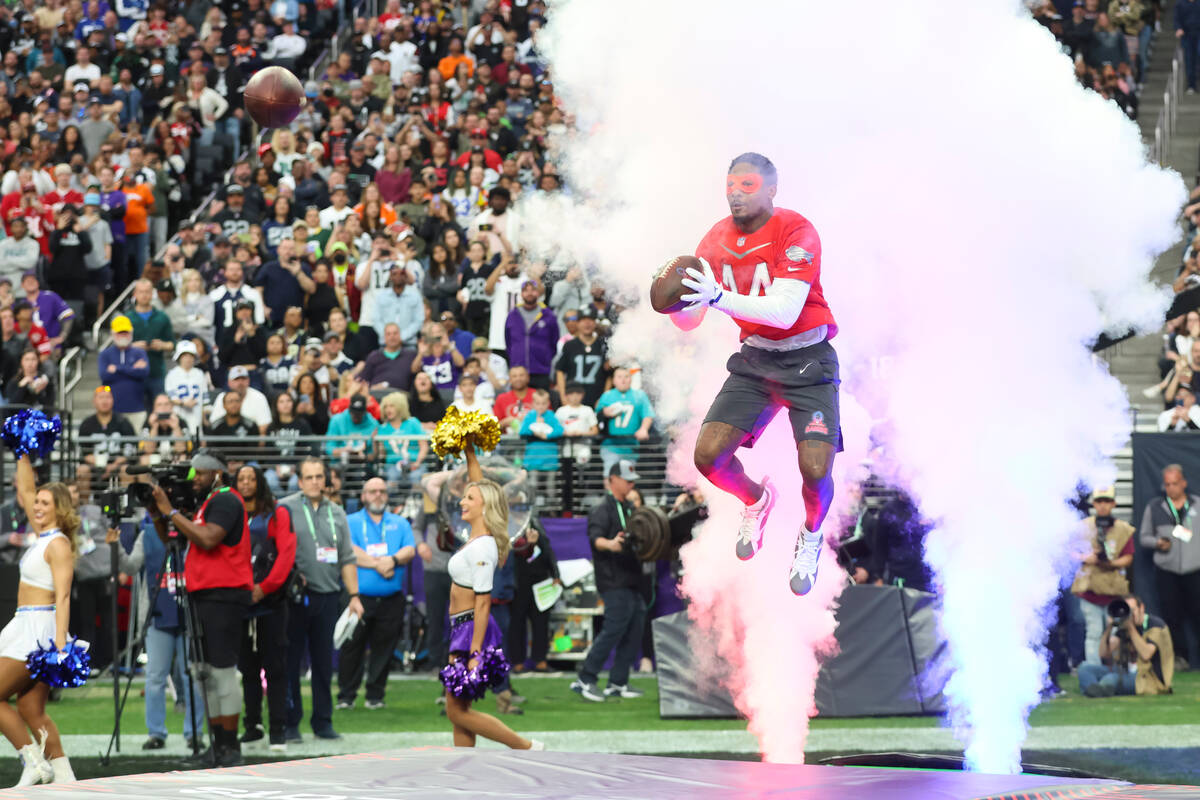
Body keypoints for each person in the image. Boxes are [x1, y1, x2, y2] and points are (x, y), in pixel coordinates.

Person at [673, 153, 840, 595]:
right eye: (730, 185)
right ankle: (757, 499)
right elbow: (692, 318)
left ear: (771, 189)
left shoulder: (796, 229)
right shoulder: (714, 239)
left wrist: (716, 294)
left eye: (747, 185)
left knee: (816, 468)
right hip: (756, 359)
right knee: (708, 458)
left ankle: (810, 532)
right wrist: (677, 303)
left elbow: (785, 312)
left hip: (808, 358)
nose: (734, 192)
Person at [147, 449, 252, 768]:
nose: (193, 481)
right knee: (203, 673)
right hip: (204, 595)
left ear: (217, 474)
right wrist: (158, 514)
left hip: (224, 595)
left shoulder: (226, 500)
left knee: (221, 672)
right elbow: (173, 541)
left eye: (199, 474)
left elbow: (207, 539)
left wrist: (171, 511)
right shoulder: (207, 503)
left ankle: (230, 748)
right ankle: (217, 745)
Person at [442, 443, 542, 750]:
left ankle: (524, 746)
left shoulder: (484, 546)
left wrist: (474, 652)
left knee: (456, 710)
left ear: (484, 507)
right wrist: (470, 454)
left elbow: (483, 601)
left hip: (472, 631)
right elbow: (479, 485)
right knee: (460, 710)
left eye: (469, 498)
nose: (462, 501)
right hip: (463, 627)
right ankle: (464, 767)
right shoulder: (476, 537)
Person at [0, 451, 79, 786]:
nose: (37, 507)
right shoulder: (43, 534)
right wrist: (22, 452)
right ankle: (64, 776)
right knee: (32, 710)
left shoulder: (58, 544)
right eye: (38, 504)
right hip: (26, 624)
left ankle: (33, 761)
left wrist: (60, 646)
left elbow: (62, 596)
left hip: (39, 630)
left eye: (46, 503)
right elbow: (26, 491)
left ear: (59, 507)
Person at [280, 458, 364, 742]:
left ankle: (323, 722)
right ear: (300, 481)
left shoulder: (338, 513)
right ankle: (290, 724)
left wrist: (354, 595)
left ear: (326, 480)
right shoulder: (286, 508)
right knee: (290, 662)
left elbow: (347, 557)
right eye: (309, 477)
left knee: (323, 663)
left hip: (328, 596)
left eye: (319, 477)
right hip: (295, 597)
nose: (315, 481)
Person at [571, 460, 646, 703]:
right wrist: (610, 544)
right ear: (612, 479)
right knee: (613, 628)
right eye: (627, 479)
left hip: (631, 577)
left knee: (635, 627)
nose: (631, 483)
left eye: (632, 480)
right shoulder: (602, 508)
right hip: (613, 579)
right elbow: (595, 539)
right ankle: (585, 678)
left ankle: (617, 682)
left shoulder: (628, 507)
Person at [337, 478, 415, 710]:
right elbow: (349, 549)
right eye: (372, 491)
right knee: (352, 648)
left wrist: (392, 560)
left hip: (391, 599)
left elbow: (409, 550)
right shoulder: (350, 521)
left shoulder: (400, 523)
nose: (377, 495)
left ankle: (375, 696)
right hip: (357, 597)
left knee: (384, 648)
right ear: (363, 496)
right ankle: (346, 697)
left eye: (382, 491)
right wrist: (379, 564)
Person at [235, 466, 296, 753]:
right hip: (240, 602)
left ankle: (278, 730)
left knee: (275, 668)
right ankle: (252, 726)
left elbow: (286, 555)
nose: (246, 483)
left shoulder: (278, 513)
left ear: (260, 483)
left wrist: (265, 587)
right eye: (241, 479)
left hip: (271, 602)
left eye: (251, 478)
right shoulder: (231, 513)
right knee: (247, 668)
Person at [1138, 464, 1200, 672]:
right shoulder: (1155, 507)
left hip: (1195, 569)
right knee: (1172, 616)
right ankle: (1180, 658)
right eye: (1167, 484)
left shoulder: (1197, 504)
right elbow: (1143, 537)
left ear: (1184, 483)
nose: (1171, 488)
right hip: (1167, 570)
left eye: (1175, 483)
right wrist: (1157, 543)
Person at [1070, 487, 1135, 667]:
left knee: (1114, 632)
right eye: (1099, 502)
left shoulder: (1123, 529)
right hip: (1089, 589)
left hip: (1113, 590)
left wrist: (1109, 563)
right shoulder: (1082, 527)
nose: (1103, 506)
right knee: (1093, 631)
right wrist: (1087, 558)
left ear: (1113, 504)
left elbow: (1128, 557)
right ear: (1094, 504)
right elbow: (1070, 553)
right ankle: (1093, 669)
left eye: (1107, 501)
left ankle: (1113, 668)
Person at [1077, 595, 1173, 696]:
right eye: (1127, 610)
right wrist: (1109, 628)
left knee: (1110, 679)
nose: (1130, 615)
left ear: (1142, 608)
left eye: (1132, 610)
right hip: (1124, 671)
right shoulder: (1123, 626)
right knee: (1085, 668)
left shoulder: (1155, 625)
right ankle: (1096, 690)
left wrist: (1131, 628)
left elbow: (1146, 654)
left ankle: (1094, 690)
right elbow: (1104, 654)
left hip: (1146, 677)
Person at [508, 523, 560, 673]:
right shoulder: (509, 527)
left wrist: (555, 574)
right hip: (518, 583)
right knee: (517, 623)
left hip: (540, 583)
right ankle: (518, 662)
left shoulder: (535, 525)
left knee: (541, 623)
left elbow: (548, 550)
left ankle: (540, 661)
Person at [594, 367, 654, 476]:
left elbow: (648, 414)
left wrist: (644, 429)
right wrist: (604, 413)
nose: (623, 380)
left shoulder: (639, 395)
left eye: (626, 376)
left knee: (627, 478)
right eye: (619, 377)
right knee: (610, 475)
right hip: (610, 445)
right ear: (613, 380)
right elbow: (595, 417)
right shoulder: (607, 396)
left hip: (631, 447)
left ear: (631, 379)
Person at [98, 315, 151, 431]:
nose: (123, 336)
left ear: (131, 333)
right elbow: (104, 375)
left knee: (138, 444)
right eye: (120, 333)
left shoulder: (139, 353)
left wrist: (117, 369)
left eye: (125, 333)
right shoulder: (105, 354)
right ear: (113, 334)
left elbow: (144, 373)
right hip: (113, 411)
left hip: (138, 409)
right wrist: (132, 369)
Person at [128, 278, 175, 404]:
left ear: (152, 294)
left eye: (147, 292)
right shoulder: (127, 318)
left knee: (159, 406)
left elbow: (172, 344)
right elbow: (117, 346)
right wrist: (132, 346)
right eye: (141, 292)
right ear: (135, 294)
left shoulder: (162, 317)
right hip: (133, 372)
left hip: (156, 371)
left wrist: (162, 345)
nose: (144, 295)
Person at [504, 279, 558, 389]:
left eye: (533, 290)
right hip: (518, 372)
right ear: (521, 294)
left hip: (541, 370)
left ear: (538, 293)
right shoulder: (513, 315)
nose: (529, 293)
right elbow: (508, 342)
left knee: (541, 404)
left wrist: (544, 357)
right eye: (526, 290)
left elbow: (554, 342)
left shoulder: (548, 315)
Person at [555, 307, 610, 407]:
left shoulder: (603, 344)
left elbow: (610, 374)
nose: (587, 323)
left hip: (597, 398)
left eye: (591, 320)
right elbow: (560, 370)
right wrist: (563, 397)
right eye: (583, 320)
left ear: (595, 323)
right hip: (573, 398)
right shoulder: (569, 345)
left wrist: (604, 398)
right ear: (577, 323)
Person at [519, 389, 563, 507]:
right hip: (533, 461)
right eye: (538, 403)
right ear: (533, 404)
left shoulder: (551, 415)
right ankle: (533, 510)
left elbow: (560, 431)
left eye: (543, 403)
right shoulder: (530, 416)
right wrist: (535, 429)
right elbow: (522, 431)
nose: (541, 406)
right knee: (533, 485)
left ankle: (552, 511)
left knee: (551, 487)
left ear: (548, 403)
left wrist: (547, 435)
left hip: (550, 461)